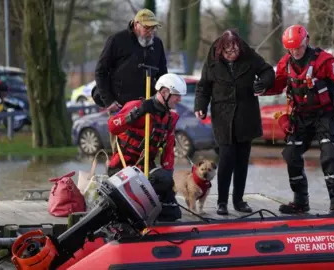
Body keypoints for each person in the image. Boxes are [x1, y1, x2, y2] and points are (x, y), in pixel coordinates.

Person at [257, 25, 334, 217]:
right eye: (291, 49)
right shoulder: (285, 64)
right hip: (300, 116)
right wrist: (262, 88)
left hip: (326, 114)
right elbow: (279, 86)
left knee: (328, 155)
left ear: (306, 41)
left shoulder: (324, 61)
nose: (296, 52)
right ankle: (300, 202)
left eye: (298, 47)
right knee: (291, 154)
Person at [194, 30, 275, 216]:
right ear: (221, 50)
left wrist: (262, 83)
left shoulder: (249, 56)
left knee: (242, 162)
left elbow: (268, 71)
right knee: (226, 159)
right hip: (222, 116)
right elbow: (203, 86)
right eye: (228, 52)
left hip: (246, 115)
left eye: (235, 50)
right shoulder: (212, 61)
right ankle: (222, 202)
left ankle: (238, 200)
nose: (232, 54)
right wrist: (200, 105)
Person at [106, 73, 187, 222]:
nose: (179, 99)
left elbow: (168, 148)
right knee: (129, 213)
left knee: (172, 213)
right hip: (122, 169)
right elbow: (112, 127)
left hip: (146, 170)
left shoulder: (170, 118)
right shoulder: (136, 106)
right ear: (164, 92)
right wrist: (137, 113)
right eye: (177, 95)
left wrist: (168, 173)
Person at [94, 8, 168, 111]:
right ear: (136, 24)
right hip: (120, 105)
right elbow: (101, 71)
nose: (150, 32)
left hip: (147, 105)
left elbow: (163, 74)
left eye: (153, 28)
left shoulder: (157, 43)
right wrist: (109, 101)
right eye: (147, 28)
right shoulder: (117, 40)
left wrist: (163, 98)